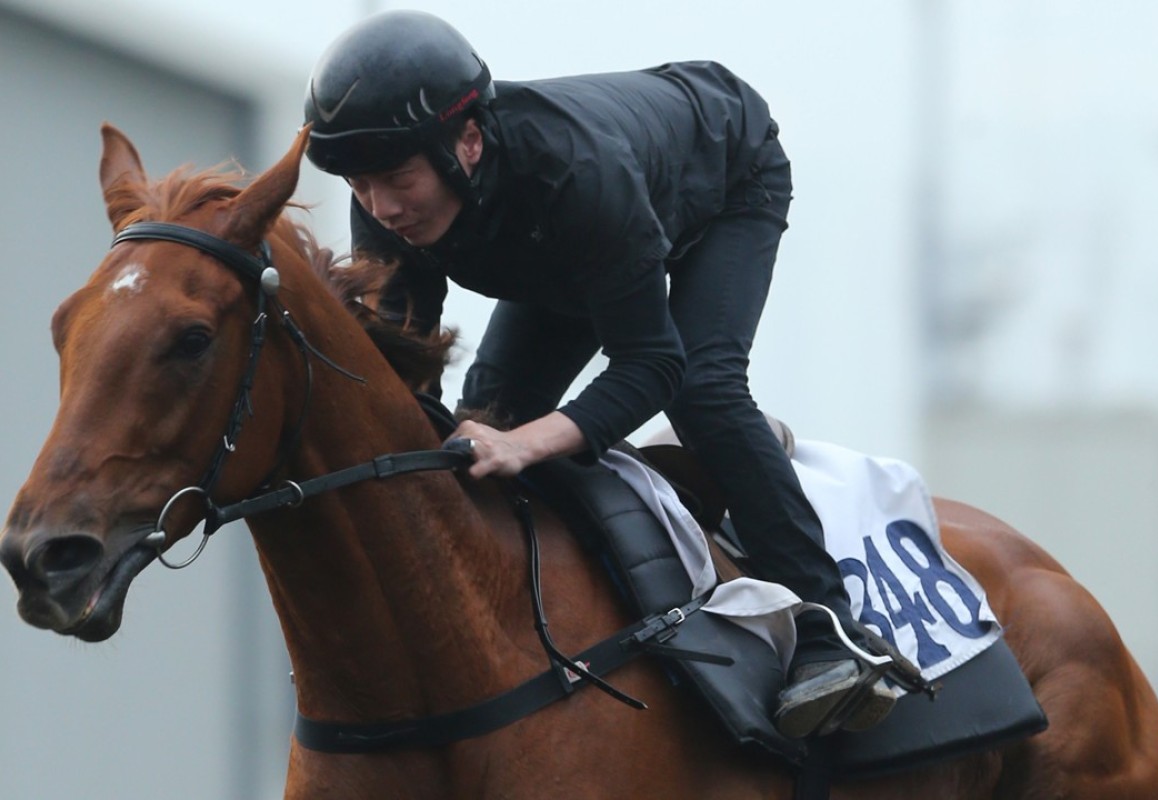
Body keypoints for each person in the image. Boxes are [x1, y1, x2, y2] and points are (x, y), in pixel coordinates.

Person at [302, 9, 894, 738]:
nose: (382, 209)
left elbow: (652, 365)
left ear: (469, 142)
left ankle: (834, 629)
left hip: (724, 177)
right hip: (575, 251)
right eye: (359, 187)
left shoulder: (577, 176)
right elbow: (408, 380)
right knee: (483, 424)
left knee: (704, 391)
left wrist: (529, 444)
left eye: (397, 180)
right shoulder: (389, 204)